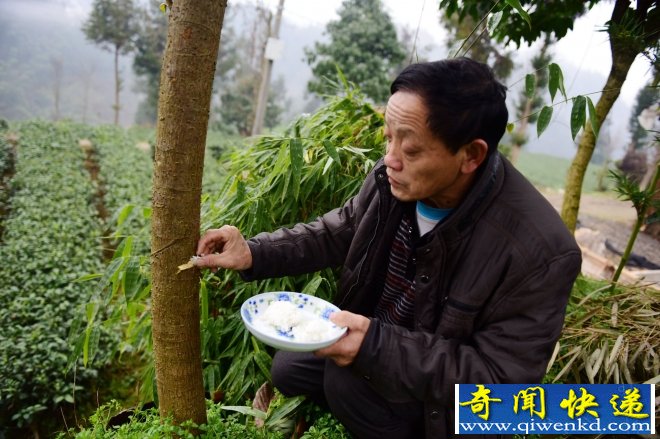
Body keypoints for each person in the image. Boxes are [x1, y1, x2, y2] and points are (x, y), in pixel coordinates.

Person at [194, 58, 582, 439]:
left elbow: (500, 383)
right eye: (388, 138)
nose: (390, 159)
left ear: (471, 155)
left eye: (410, 150)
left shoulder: (541, 251)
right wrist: (254, 252)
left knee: (345, 385)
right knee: (290, 368)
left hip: (444, 404)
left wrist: (377, 346)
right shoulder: (393, 180)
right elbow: (339, 230)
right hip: (385, 345)